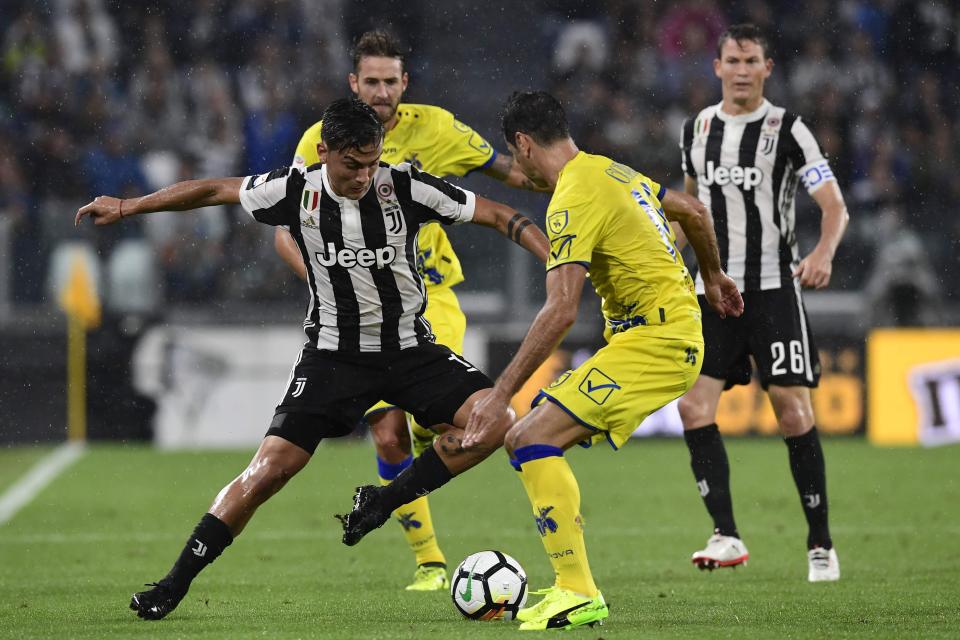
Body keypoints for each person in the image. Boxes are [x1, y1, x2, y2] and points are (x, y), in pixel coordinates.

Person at [75, 97, 549, 621]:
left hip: (411, 350)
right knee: (267, 472)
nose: (365, 177)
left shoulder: (407, 187)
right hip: (332, 357)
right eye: (352, 165)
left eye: (372, 162)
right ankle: (173, 583)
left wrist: (557, 259)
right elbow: (213, 189)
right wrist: (128, 206)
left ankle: (383, 502)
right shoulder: (294, 188)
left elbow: (501, 214)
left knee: (498, 421)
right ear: (323, 153)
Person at [339, 91, 743, 631]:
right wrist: (711, 276)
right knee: (526, 436)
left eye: (516, 156)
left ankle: (577, 592)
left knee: (528, 436)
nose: (519, 169)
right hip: (655, 337)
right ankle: (562, 582)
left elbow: (559, 311)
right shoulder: (612, 171)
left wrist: (500, 394)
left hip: (658, 341)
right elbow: (692, 210)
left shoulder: (573, 196)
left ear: (523, 145)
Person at [275, 30, 542, 592]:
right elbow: (286, 232)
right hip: (358, 317)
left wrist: (573, 179)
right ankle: (428, 562)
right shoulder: (318, 141)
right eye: (369, 81)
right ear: (354, 82)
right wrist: (332, 287)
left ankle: (420, 467)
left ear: (405, 83)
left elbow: (511, 173)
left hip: (433, 296)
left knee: (435, 423)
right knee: (388, 434)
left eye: (389, 81)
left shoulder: (439, 129)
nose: (380, 91)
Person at [677, 24, 849, 582]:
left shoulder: (789, 129)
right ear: (717, 66)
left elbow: (834, 206)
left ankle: (820, 544)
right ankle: (726, 535)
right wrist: (665, 266)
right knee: (692, 408)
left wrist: (823, 252)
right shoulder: (697, 129)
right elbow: (687, 209)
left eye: (752, 60)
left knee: (793, 413)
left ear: (768, 68)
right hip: (713, 292)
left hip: (775, 289)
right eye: (734, 59)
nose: (743, 69)